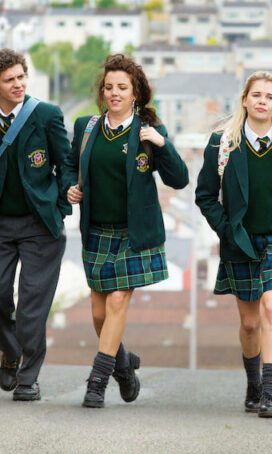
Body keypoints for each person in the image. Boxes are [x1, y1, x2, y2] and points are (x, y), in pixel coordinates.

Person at [65, 54, 189, 408]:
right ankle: (124, 365)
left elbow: (179, 180)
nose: (114, 93)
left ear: (136, 93)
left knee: (118, 301)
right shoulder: (86, 128)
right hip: (97, 231)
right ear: (102, 93)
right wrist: (69, 190)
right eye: (109, 88)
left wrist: (163, 146)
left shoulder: (149, 131)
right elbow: (72, 166)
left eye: (122, 87)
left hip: (134, 233)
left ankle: (97, 383)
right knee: (100, 315)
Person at [195, 71, 272, 419]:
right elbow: (205, 196)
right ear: (245, 100)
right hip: (240, 242)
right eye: (257, 95)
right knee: (249, 324)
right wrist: (226, 229)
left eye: (270, 97)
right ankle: (253, 383)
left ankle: (269, 393)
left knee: (270, 311)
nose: (262, 101)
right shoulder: (223, 144)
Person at [0, 48, 72, 402]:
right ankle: (10, 352)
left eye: (22, 77)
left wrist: (60, 206)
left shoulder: (48, 115)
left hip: (40, 224)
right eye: (10, 80)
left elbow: (65, 165)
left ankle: (28, 379)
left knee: (32, 306)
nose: (18, 84)